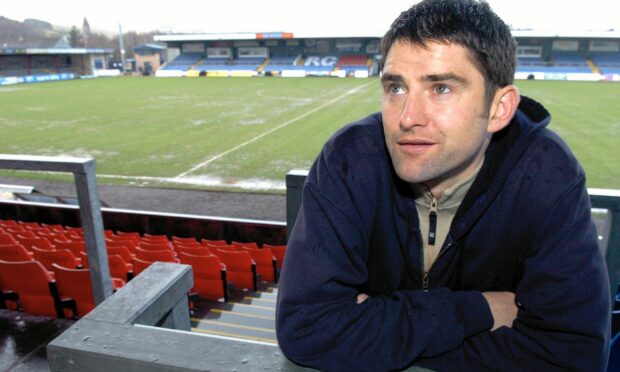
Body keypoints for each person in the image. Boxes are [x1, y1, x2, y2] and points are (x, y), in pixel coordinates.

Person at [275, 0, 611, 370]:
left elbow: (571, 356)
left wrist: (375, 332)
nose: (408, 118)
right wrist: (479, 310)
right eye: (396, 88)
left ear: (499, 108)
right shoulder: (350, 158)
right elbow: (307, 329)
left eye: (441, 89)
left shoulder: (546, 175)